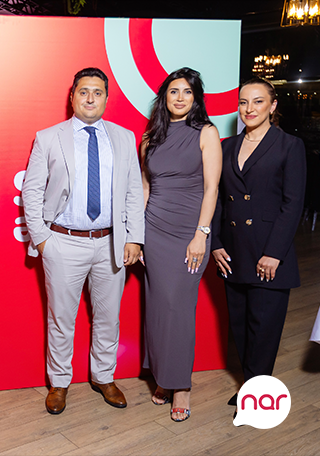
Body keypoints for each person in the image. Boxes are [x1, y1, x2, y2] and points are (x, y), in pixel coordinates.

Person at [22, 67, 144, 415]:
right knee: (62, 318)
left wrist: (134, 238)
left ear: (106, 98)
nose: (91, 98)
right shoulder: (49, 137)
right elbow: (31, 190)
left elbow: (134, 191)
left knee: (109, 317)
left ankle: (104, 377)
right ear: (72, 96)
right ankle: (59, 382)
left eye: (98, 92)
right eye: (84, 91)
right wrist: (43, 240)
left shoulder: (124, 137)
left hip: (110, 242)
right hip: (63, 242)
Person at [211, 77, 306, 406]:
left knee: (263, 328)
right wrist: (215, 242)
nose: (249, 109)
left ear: (273, 105)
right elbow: (217, 199)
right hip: (232, 250)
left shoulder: (289, 146)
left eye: (258, 101)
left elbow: (293, 204)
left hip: (268, 253)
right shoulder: (226, 147)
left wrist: (274, 253)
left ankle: (254, 393)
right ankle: (250, 384)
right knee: (240, 324)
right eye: (243, 102)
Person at [140, 67, 222, 422]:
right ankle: (163, 377)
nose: (180, 98)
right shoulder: (149, 138)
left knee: (179, 307)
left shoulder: (206, 132)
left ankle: (181, 385)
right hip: (154, 229)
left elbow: (212, 188)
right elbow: (145, 189)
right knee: (158, 306)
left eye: (187, 92)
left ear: (196, 98)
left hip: (189, 231)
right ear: (164, 97)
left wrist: (201, 234)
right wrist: (137, 237)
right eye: (174, 91)